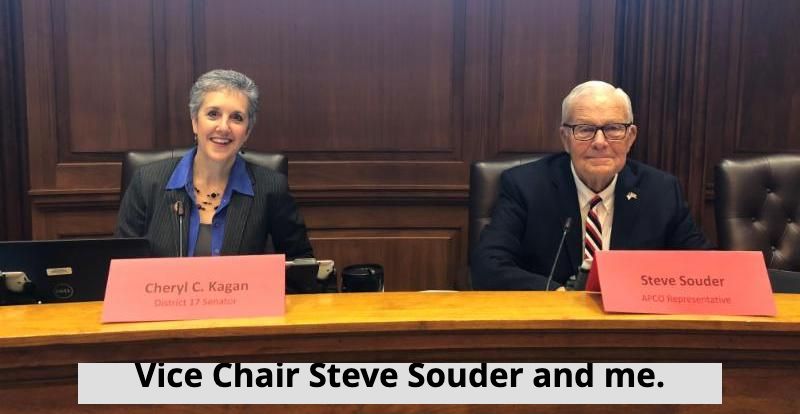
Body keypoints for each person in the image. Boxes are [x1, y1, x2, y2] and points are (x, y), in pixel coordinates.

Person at [471, 80, 709, 290]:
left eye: (613, 129)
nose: (600, 142)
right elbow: (488, 265)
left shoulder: (661, 191)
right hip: (553, 320)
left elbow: (705, 267)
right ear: (565, 138)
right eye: (585, 129)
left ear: (631, 137)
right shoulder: (526, 186)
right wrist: (557, 295)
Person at [116, 69, 313, 261]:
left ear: (247, 131)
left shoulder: (271, 188)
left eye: (237, 117)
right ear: (195, 122)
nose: (224, 127)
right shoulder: (147, 182)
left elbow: (301, 265)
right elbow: (121, 268)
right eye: (213, 114)